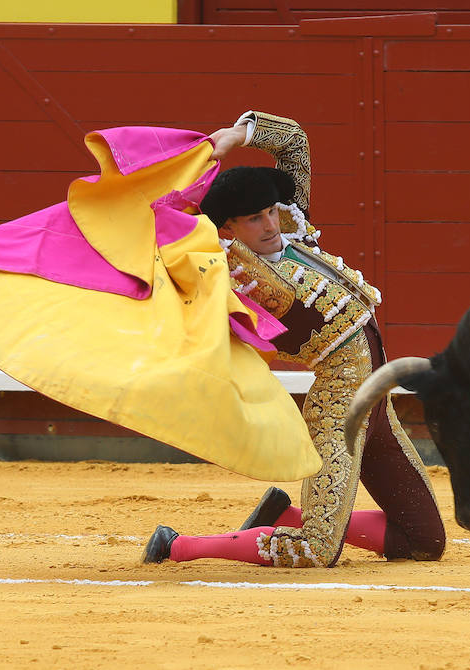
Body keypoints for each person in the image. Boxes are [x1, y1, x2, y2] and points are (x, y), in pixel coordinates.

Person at [141, 111, 445, 568]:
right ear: (227, 230)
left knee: (424, 541)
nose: (268, 226)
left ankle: (282, 513)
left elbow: (295, 143)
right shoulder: (240, 276)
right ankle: (179, 545)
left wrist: (236, 136)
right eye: (252, 220)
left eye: (269, 212)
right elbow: (182, 247)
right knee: (316, 549)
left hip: (376, 401)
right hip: (338, 409)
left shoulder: (294, 233)